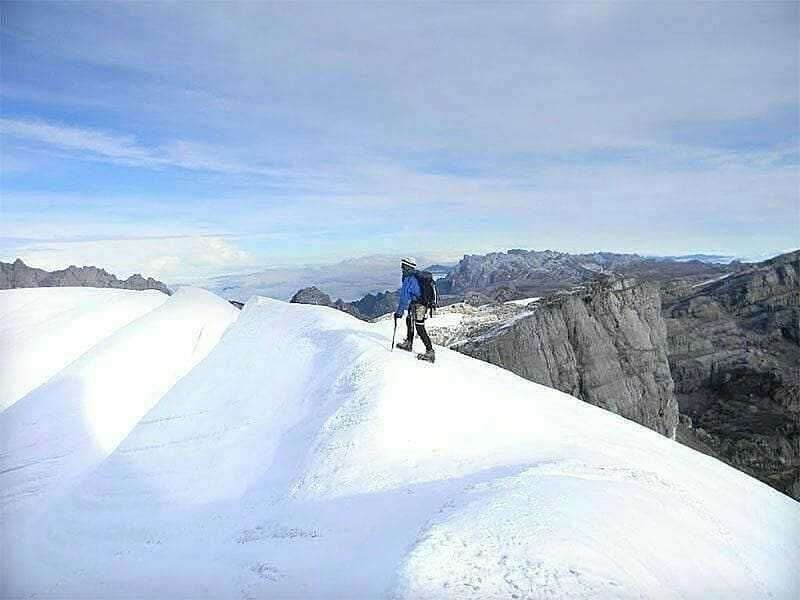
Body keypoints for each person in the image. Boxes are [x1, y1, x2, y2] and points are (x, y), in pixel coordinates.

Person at [394, 257, 435, 362]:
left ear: (406, 266)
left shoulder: (409, 279)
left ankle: (430, 352)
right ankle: (409, 342)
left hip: (419, 305)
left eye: (403, 266)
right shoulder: (416, 275)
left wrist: (399, 313)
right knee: (409, 321)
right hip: (419, 303)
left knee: (420, 327)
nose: (401, 268)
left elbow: (404, 298)